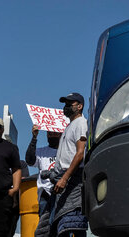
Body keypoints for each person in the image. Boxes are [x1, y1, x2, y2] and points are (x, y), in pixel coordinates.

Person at [50, 93, 88, 237]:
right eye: (65, 104)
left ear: (79, 106)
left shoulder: (80, 124)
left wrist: (65, 178)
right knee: (61, 223)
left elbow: (80, 153)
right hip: (63, 178)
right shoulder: (70, 126)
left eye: (69, 104)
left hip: (72, 178)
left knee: (72, 221)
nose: (66, 107)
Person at [25, 125, 61, 217]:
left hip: (61, 191)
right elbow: (29, 161)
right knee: (44, 225)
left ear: (60, 134)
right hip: (45, 194)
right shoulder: (41, 151)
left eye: (54, 133)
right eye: (49, 133)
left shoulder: (66, 151)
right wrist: (34, 137)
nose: (51, 135)